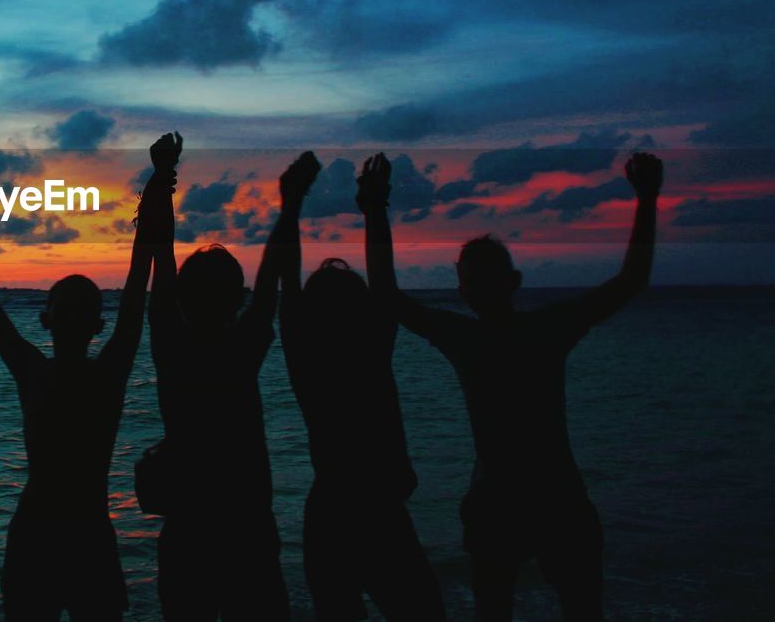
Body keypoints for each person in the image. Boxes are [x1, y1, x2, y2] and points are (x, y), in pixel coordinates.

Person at [361, 151, 663, 621]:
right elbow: (631, 280)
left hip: (504, 498)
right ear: (513, 281)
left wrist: (376, 210)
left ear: (468, 291)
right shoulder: (545, 330)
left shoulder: (470, 339)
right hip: (550, 495)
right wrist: (647, 199)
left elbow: (386, 294)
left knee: (500, 608)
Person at [0, 133, 181, 621]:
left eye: (83, 308)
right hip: (47, 534)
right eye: (65, 307)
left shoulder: (77, 371)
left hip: (80, 534)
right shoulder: (54, 370)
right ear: (48, 318)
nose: (72, 315)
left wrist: (158, 187)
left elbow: (138, 283)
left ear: (93, 322)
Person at [276, 152, 446, 620]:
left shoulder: (308, 358)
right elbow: (384, 286)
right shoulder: (369, 351)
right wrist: (373, 209)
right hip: (376, 514)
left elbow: (289, 285)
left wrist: (292, 204)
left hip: (333, 512)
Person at [149, 145, 291, 621]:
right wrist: (290, 206)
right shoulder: (241, 349)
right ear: (236, 298)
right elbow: (269, 282)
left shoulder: (173, 349)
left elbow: (160, 256)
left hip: (190, 531)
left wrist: (162, 179)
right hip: (247, 528)